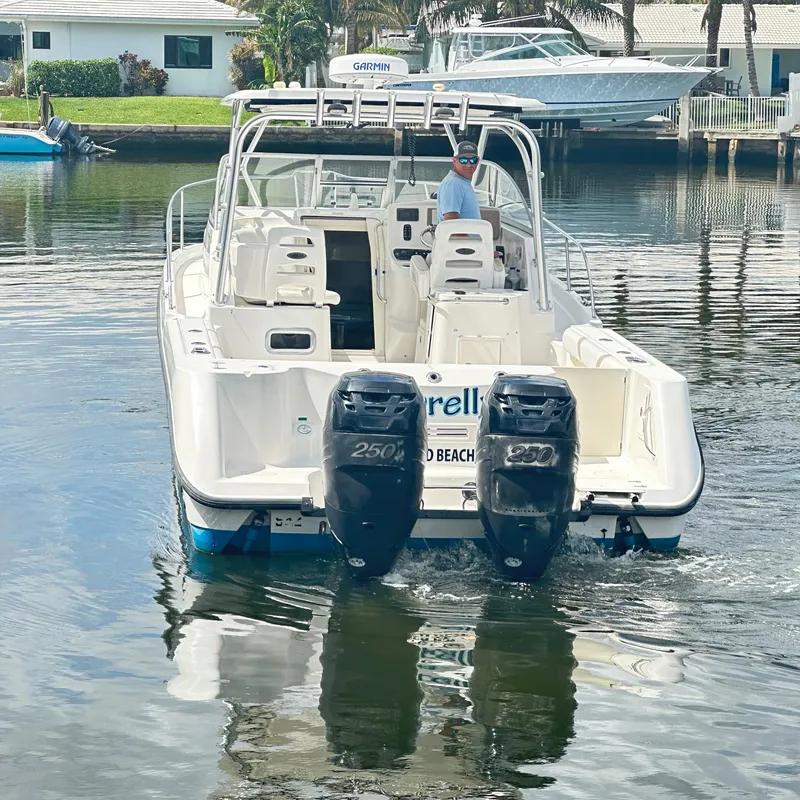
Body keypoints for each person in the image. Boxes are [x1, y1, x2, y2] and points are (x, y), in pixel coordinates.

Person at [437, 141, 482, 223]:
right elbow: (452, 226)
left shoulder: (462, 182)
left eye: (473, 160)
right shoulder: (453, 184)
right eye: (463, 160)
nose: (468, 165)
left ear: (478, 161)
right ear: (454, 161)